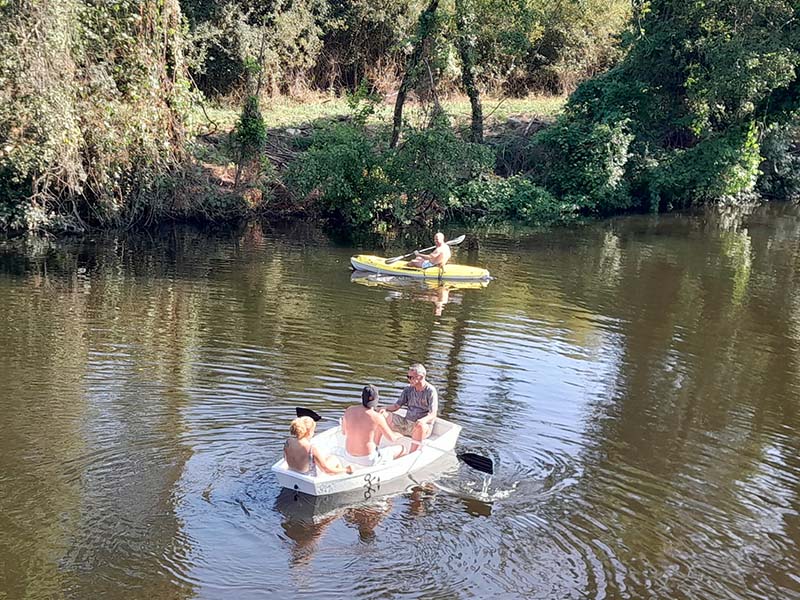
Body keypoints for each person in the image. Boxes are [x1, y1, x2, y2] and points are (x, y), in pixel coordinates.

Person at [341, 385, 405, 466]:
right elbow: (391, 438)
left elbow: (343, 432)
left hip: (348, 456)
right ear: (376, 399)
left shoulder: (349, 410)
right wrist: (399, 435)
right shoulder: (377, 417)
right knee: (402, 449)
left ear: (362, 397)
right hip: (367, 459)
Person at [380, 364, 438, 452]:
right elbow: (396, 406)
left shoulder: (430, 391)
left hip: (421, 427)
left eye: (411, 377)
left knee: (420, 426)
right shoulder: (408, 389)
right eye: (408, 377)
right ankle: (379, 444)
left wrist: (423, 420)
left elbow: (433, 414)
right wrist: (382, 409)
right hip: (406, 423)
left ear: (421, 377)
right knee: (382, 416)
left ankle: (412, 452)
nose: (409, 379)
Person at [284, 416, 353, 475]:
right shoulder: (311, 449)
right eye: (313, 430)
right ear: (309, 432)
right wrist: (346, 469)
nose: (314, 432)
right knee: (334, 459)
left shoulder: (288, 442)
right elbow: (326, 470)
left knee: (327, 459)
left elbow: (286, 458)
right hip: (308, 477)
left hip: (292, 473)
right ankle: (340, 477)